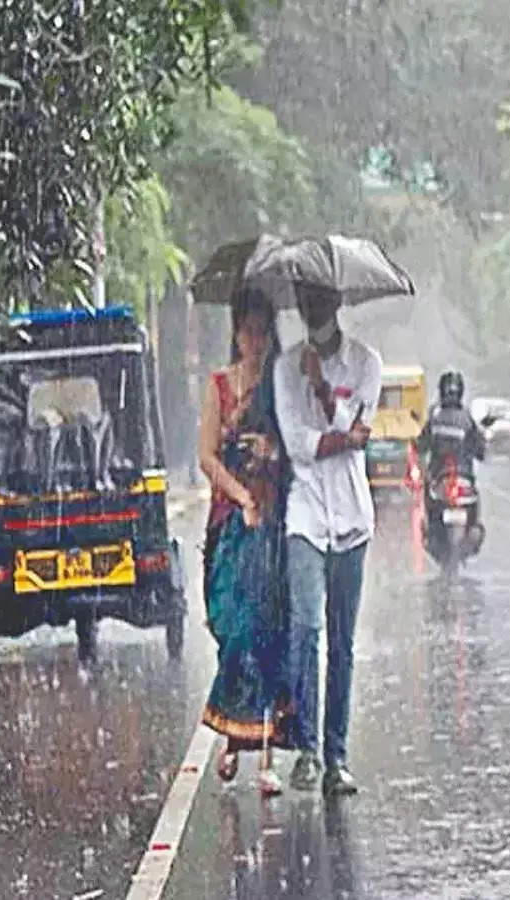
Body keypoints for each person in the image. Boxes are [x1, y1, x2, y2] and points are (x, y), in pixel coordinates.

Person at [274, 285, 381, 796]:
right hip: (306, 514)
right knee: (306, 628)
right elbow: (300, 446)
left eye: (321, 304)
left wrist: (322, 391)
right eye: (305, 306)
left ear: (336, 304)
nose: (313, 314)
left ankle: (336, 756)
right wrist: (343, 439)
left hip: (353, 519)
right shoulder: (283, 367)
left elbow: (359, 430)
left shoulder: (366, 363)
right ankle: (308, 750)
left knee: (342, 643)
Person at [198, 288, 289, 797]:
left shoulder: (279, 388)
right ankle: (234, 738)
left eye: (263, 331)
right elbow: (205, 456)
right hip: (229, 526)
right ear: (236, 334)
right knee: (233, 632)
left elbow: (291, 447)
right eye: (247, 331)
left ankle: (266, 756)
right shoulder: (219, 386)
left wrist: (269, 451)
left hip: (271, 524)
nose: (255, 340)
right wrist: (240, 498)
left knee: (266, 634)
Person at [416, 369, 486, 557]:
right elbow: (480, 449)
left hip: (439, 479)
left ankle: (435, 536)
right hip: (463, 479)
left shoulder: (435, 418)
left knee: (430, 506)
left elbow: (421, 445)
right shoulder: (468, 419)